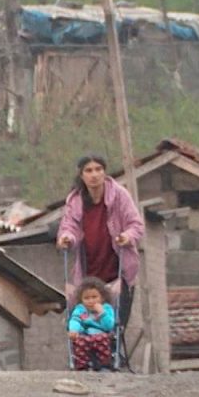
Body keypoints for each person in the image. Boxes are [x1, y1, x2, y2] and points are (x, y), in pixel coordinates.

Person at [56, 152, 145, 324]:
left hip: (118, 273)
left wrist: (127, 236)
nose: (94, 175)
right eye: (89, 171)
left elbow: (136, 225)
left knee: (115, 326)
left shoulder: (119, 195)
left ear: (104, 172)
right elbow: (69, 227)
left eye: (98, 169)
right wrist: (67, 238)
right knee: (86, 328)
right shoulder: (75, 200)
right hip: (88, 278)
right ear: (81, 175)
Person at [68, 276, 117, 371]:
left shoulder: (106, 308)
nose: (91, 301)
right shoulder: (80, 309)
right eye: (86, 298)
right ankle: (82, 365)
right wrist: (73, 330)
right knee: (79, 341)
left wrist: (102, 313)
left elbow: (109, 326)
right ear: (81, 299)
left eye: (94, 297)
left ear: (102, 298)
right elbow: (75, 320)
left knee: (103, 339)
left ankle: (105, 364)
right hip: (85, 334)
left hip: (102, 334)